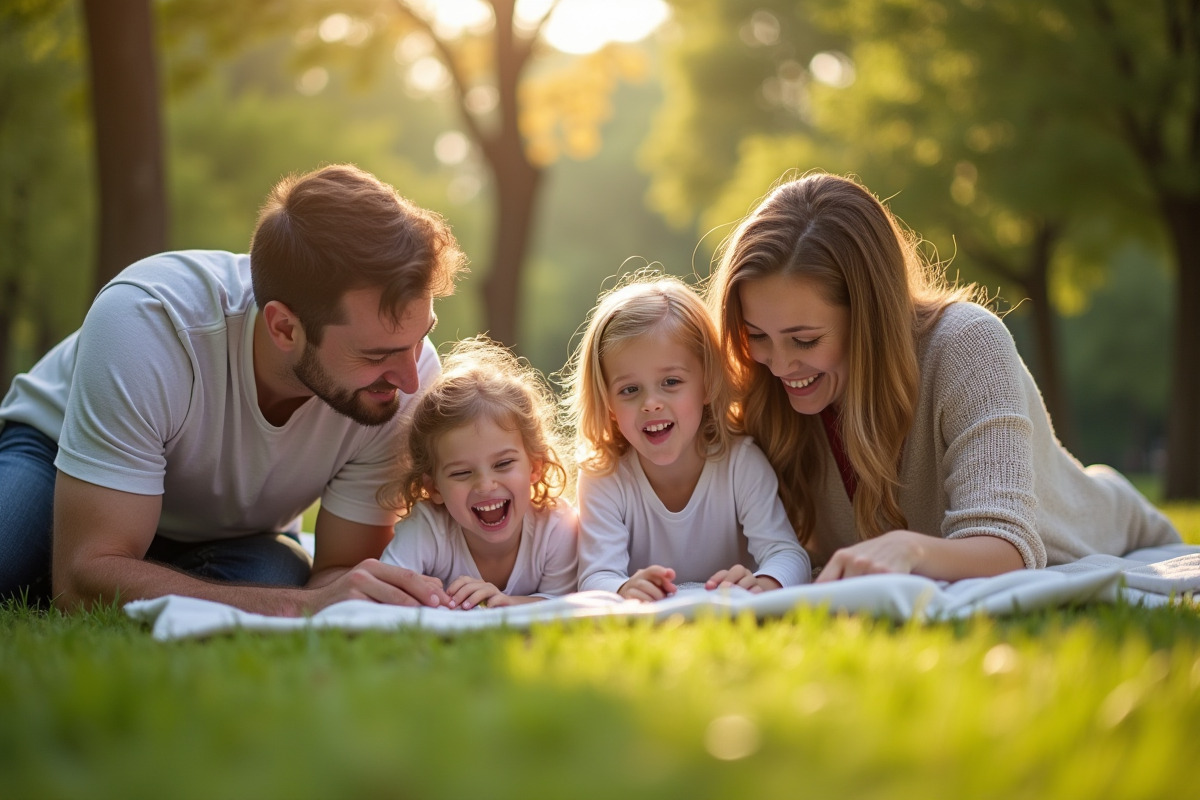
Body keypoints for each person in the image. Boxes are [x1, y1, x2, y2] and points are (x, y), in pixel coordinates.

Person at [0, 164, 467, 614]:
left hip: (231, 533)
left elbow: (340, 574)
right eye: (376, 355)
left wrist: (334, 596)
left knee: (272, 573)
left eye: (420, 336)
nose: (410, 379)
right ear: (284, 328)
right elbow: (81, 586)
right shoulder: (147, 322)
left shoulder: (408, 376)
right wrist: (295, 606)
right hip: (57, 458)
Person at [708, 172, 1181, 582]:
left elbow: (1007, 547)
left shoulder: (967, 343)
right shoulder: (762, 381)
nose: (781, 364)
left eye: (805, 340)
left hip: (1107, 532)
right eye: (756, 335)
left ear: (871, 316)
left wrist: (910, 549)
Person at [567, 275, 811, 602]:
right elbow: (596, 576)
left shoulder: (740, 462)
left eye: (671, 381)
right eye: (629, 390)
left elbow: (789, 555)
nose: (651, 403)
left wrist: (763, 584)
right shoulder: (604, 477)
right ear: (608, 403)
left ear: (707, 384)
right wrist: (623, 588)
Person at [378, 337, 578, 609]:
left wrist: (504, 603)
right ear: (434, 488)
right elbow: (388, 594)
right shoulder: (428, 528)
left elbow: (564, 603)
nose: (485, 485)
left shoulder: (556, 527)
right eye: (461, 472)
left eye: (503, 464)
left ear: (535, 466)